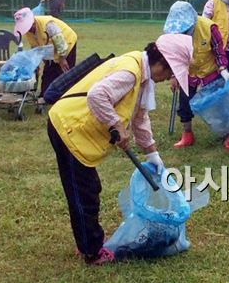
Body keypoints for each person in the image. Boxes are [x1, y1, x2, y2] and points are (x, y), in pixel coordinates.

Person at [47, 34, 193, 265]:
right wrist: (116, 125)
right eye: (169, 73)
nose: (167, 79)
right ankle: (91, 251)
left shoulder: (142, 77)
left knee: (90, 188)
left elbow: (140, 117)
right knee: (83, 192)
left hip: (74, 128)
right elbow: (98, 96)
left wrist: (152, 153)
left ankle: (88, 240)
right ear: (160, 63)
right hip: (68, 127)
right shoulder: (131, 71)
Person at [163, 1, 229, 150]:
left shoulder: (209, 28)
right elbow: (172, 56)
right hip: (188, 72)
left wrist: (223, 69)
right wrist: (174, 76)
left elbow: (218, 51)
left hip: (210, 71)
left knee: (219, 104)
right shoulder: (172, 33)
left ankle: (228, 136)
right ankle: (187, 134)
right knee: (184, 104)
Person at [13, 7, 77, 102]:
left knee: (64, 73)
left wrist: (62, 59)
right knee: (48, 73)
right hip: (50, 48)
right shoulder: (28, 32)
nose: (27, 30)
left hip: (66, 43)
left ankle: (66, 98)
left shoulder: (48, 24)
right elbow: (36, 48)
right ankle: (45, 95)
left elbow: (60, 42)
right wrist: (36, 64)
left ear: (33, 22)